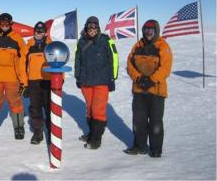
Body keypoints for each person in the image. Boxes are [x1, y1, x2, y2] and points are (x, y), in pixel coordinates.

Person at [124, 19, 173, 158]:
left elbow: (165, 68)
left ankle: (156, 149)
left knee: (155, 122)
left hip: (156, 91)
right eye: (145, 30)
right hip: (139, 90)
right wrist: (139, 78)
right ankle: (139, 146)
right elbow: (130, 64)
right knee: (138, 121)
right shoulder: (137, 46)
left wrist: (151, 80)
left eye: (151, 30)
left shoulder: (163, 47)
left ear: (156, 31)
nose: (148, 33)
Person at [74, 16, 119, 149]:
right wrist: (78, 77)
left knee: (98, 110)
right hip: (86, 82)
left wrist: (112, 78)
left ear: (98, 27)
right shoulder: (81, 42)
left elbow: (114, 59)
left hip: (101, 82)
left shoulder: (106, 40)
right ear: (86, 27)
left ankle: (96, 140)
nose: (92, 29)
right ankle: (92, 133)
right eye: (90, 26)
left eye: (95, 26)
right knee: (89, 110)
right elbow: (78, 60)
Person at [22, 21, 52, 144]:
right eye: (36, 31)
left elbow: (59, 62)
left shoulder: (51, 46)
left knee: (49, 108)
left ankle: (52, 132)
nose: (38, 33)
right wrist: (25, 84)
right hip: (33, 82)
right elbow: (22, 67)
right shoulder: (28, 46)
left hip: (48, 82)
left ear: (45, 32)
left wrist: (61, 80)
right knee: (35, 108)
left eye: (41, 31)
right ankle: (38, 132)